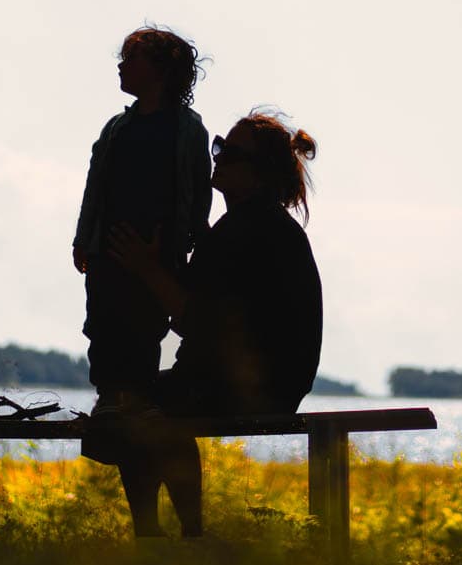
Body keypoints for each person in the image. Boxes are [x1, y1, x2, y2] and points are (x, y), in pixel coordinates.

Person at [102, 110, 323, 538]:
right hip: (277, 385)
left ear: (257, 174)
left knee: (130, 406)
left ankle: (169, 538)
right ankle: (180, 537)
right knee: (142, 405)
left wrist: (147, 269)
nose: (217, 158)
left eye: (231, 153)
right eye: (219, 146)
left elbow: (195, 320)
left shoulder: (243, 231)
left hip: (246, 387)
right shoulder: (260, 227)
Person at [71, 27, 213, 410]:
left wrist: (193, 242)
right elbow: (95, 186)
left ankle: (132, 407)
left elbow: (200, 192)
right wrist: (83, 238)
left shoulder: (187, 130)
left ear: (161, 70)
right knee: (101, 329)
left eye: (132, 57)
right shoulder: (118, 128)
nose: (121, 64)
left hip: (159, 256)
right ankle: (109, 401)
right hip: (107, 252)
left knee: (142, 332)